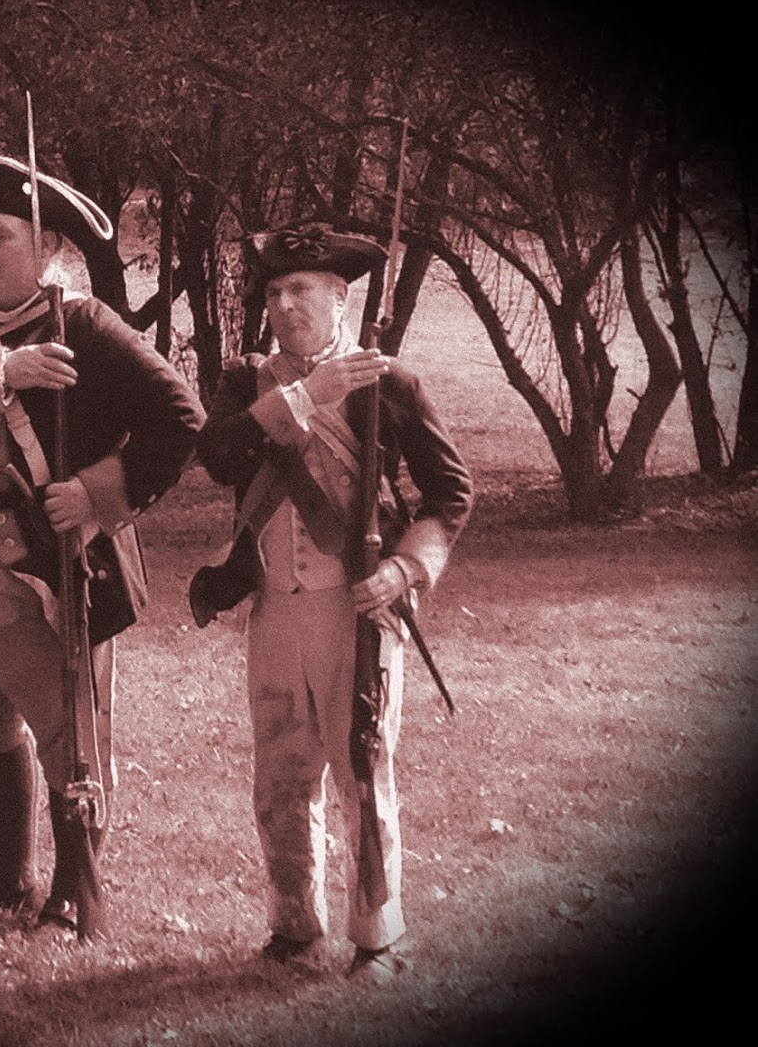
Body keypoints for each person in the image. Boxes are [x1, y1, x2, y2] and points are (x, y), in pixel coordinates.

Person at [0, 156, 205, 928]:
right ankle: (7, 878)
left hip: (45, 571)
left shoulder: (86, 328)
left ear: (48, 247)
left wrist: (96, 493)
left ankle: (72, 891)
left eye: (0, 235)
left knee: (70, 738)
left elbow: (181, 418)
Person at [192, 221, 473, 980]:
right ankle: (293, 928)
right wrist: (304, 397)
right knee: (280, 778)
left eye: (301, 290)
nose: (283, 305)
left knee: (362, 769)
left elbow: (451, 493)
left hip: (357, 607)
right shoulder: (246, 382)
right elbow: (217, 456)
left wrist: (406, 570)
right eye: (273, 292)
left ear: (339, 298)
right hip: (274, 607)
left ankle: (377, 936)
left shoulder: (388, 383)